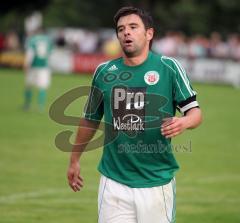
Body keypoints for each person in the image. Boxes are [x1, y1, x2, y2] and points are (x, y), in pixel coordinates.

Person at [67, 6, 202, 223]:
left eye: (133, 27)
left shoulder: (169, 68)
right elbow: (90, 119)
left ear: (149, 34)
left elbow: (195, 113)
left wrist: (184, 121)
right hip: (114, 183)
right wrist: (74, 159)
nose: (126, 33)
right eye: (121, 29)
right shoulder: (104, 72)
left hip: (157, 183)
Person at [23, 28, 53, 111]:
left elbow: (30, 53)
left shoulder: (32, 40)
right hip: (44, 66)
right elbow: (50, 54)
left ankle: (27, 105)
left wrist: (26, 64)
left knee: (28, 85)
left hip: (33, 66)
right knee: (42, 87)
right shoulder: (48, 40)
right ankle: (41, 106)